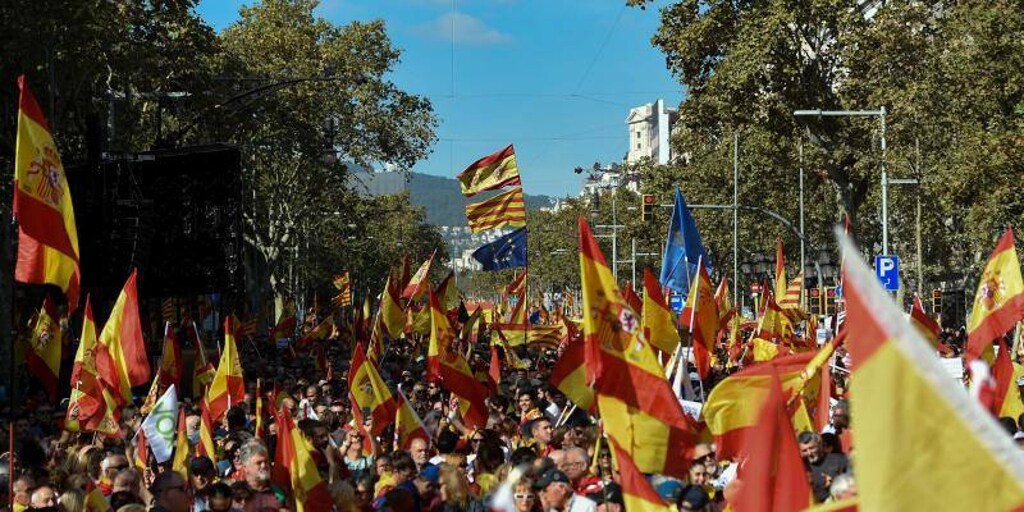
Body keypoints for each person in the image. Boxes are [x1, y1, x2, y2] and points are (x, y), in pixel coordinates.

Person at [798, 431, 849, 503]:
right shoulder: (800, 469)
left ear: (819, 445)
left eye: (812, 448)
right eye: (804, 450)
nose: (809, 453)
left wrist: (836, 484)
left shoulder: (839, 460)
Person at [237, 441, 284, 512]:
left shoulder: (279, 493)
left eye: (266, 461)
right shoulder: (235, 494)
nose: (264, 465)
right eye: (258, 463)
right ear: (245, 468)